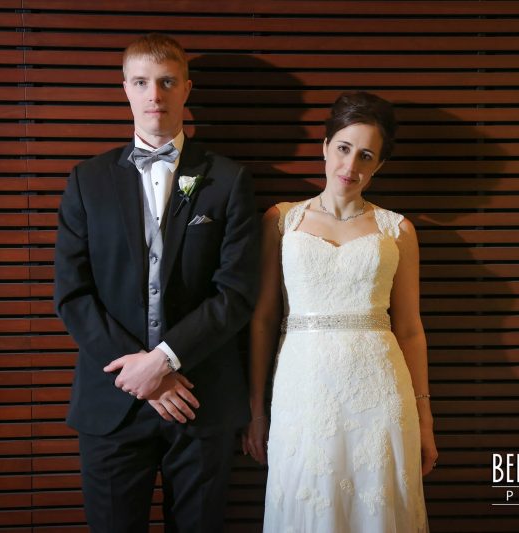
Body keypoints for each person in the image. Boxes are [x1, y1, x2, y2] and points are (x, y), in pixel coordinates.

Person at [53, 33, 259, 532]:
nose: (155, 95)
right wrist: (139, 375)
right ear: (125, 88)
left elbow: (236, 293)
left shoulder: (228, 180)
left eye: (167, 82)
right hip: (111, 403)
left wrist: (164, 361)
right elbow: (73, 294)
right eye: (142, 82)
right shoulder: (87, 180)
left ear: (187, 88)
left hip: (200, 397)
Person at [243, 91, 438, 532]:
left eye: (366, 155)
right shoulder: (282, 220)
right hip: (303, 390)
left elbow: (409, 329)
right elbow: (262, 319)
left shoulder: (397, 229)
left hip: (380, 392)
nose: (351, 166)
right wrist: (257, 412)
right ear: (325, 147)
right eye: (344, 149)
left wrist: (425, 419)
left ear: (379, 165)